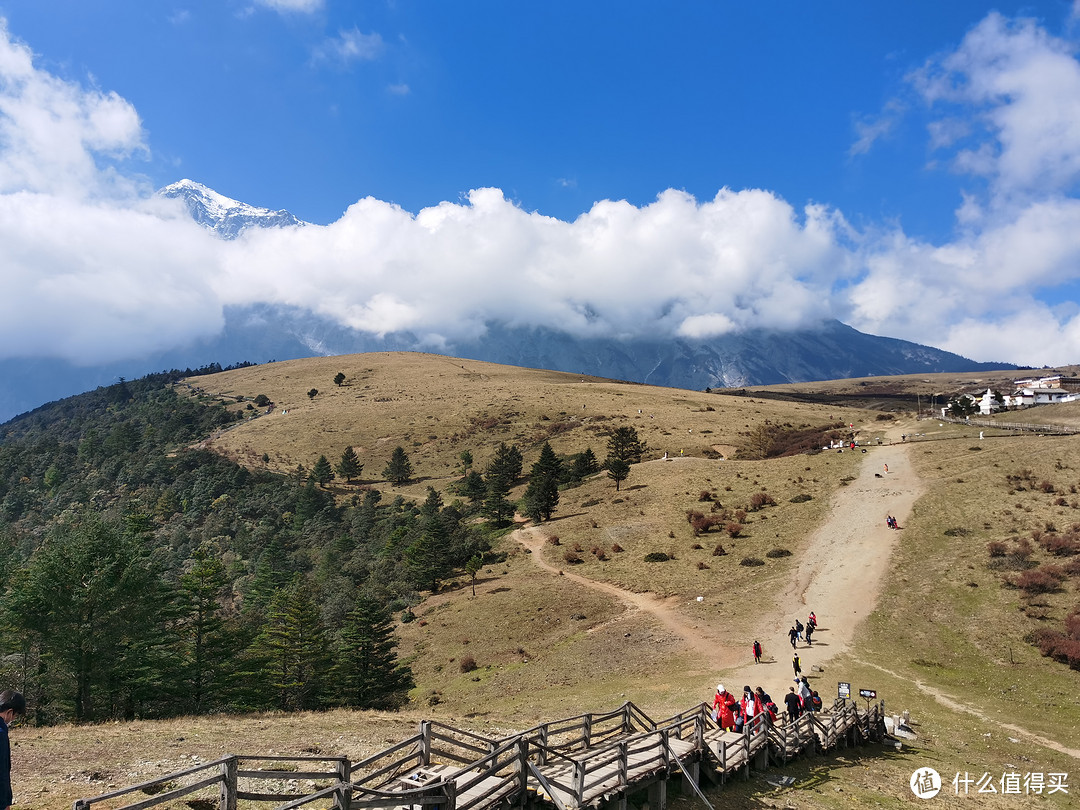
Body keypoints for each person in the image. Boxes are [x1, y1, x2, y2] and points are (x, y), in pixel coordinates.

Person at [0, 690, 25, 810]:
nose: (13, 719)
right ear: (9, 712)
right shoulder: (0, 734)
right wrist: (4, 802)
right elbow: (2, 771)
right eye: (15, 716)